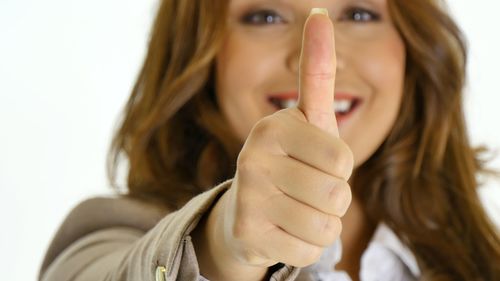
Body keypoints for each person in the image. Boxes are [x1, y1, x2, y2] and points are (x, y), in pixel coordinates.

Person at [39, 0, 500, 280]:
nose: (319, 56)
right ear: (200, 50)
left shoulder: (482, 257)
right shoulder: (109, 236)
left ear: (415, 49)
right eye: (265, 15)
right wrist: (223, 247)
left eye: (359, 13)